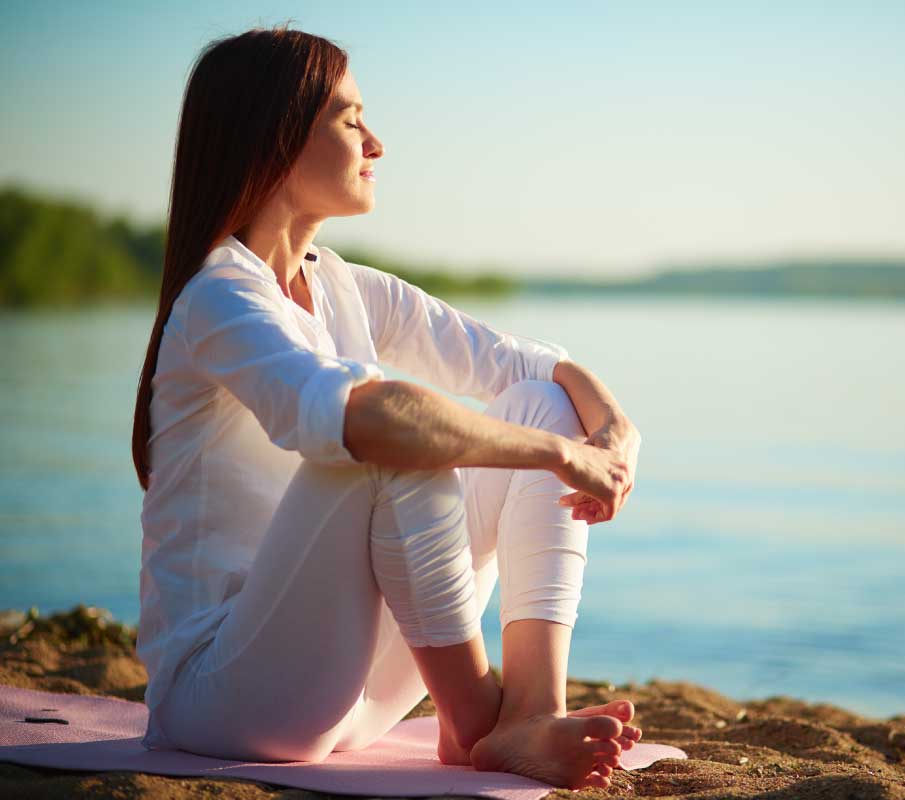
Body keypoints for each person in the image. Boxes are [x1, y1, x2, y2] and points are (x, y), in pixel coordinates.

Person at [129, 26, 643, 791]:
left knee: (537, 404)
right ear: (274, 139)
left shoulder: (343, 285)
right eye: (349, 119)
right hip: (225, 697)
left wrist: (613, 430)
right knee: (390, 438)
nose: (376, 142)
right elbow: (366, 418)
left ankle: (528, 711)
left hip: (356, 694)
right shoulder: (220, 297)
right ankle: (473, 719)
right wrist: (561, 456)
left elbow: (536, 367)